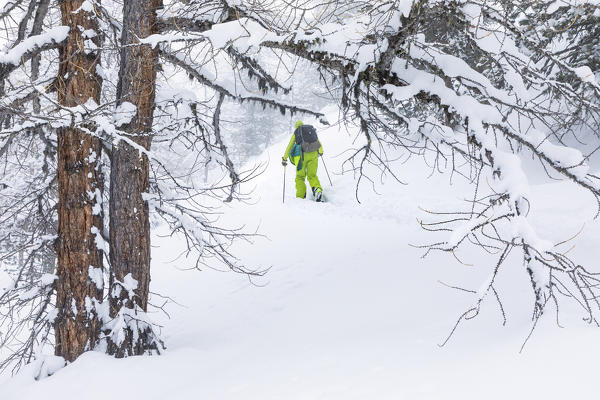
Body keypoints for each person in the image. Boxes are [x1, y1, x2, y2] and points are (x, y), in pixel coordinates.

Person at [282, 120, 324, 201]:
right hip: (314, 154)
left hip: (301, 156)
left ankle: (300, 196)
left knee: (300, 177)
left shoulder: (297, 132)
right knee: (312, 175)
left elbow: (290, 146)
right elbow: (318, 142)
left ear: (296, 127)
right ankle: (317, 190)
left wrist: (284, 158)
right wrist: (321, 152)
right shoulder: (310, 131)